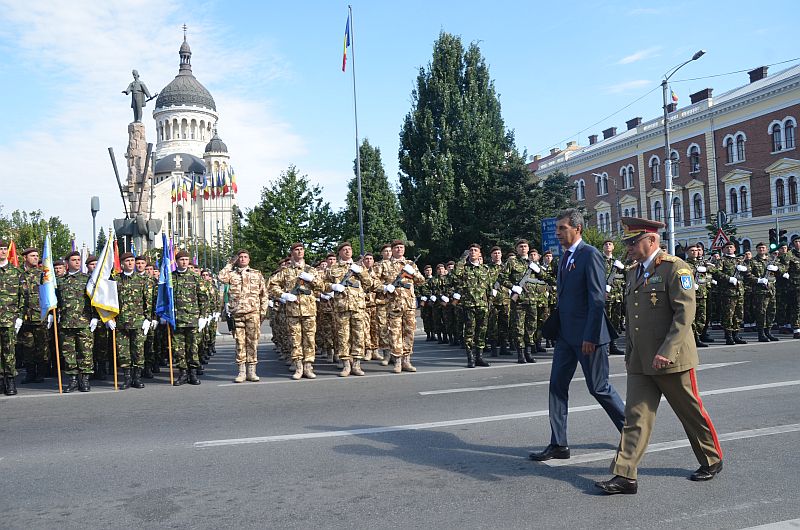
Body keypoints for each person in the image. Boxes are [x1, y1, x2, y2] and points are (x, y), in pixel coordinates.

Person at [595, 217, 722, 494]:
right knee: (635, 417)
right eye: (626, 242)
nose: (627, 247)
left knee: (689, 411)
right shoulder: (632, 272)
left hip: (672, 358)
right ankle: (625, 475)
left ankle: (711, 459)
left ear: (651, 240)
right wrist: (629, 353)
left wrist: (667, 351)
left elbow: (684, 314)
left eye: (632, 242)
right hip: (641, 360)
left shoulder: (675, 268)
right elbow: (633, 319)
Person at [529, 209, 625, 462]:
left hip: (588, 337)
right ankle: (559, 443)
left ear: (577, 229)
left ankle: (632, 434)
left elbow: (597, 300)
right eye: (558, 228)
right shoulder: (565, 258)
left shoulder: (590, 255)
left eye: (562, 228)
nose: (558, 233)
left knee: (599, 388)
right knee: (557, 387)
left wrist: (591, 337)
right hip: (566, 336)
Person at [268, 243, 325, 380]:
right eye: (296, 250)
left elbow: (322, 287)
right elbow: (271, 285)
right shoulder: (286, 271)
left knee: (310, 339)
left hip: (309, 310)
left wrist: (312, 279)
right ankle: (298, 367)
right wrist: (283, 295)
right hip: (292, 310)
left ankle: (308, 367)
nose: (299, 252)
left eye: (301, 249)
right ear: (292, 253)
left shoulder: (311, 270)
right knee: (295, 339)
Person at [371, 240, 426, 373]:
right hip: (393, 304)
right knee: (395, 333)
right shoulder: (384, 265)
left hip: (409, 304)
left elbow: (421, 281)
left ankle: (406, 360)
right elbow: (372, 282)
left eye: (401, 248)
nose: (399, 250)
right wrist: (384, 287)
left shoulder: (409, 264)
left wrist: (413, 273)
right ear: (392, 250)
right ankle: (397, 362)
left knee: (409, 333)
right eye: (396, 248)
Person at [218, 249, 269, 383]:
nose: (242, 259)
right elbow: (220, 277)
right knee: (240, 343)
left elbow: (264, 294)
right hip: (237, 314)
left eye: (245, 257)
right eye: (240, 257)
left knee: (252, 343)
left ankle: (252, 371)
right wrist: (230, 264)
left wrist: (262, 313)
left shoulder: (257, 274)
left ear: (249, 259)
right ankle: (241, 372)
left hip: (253, 313)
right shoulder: (231, 274)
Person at [324, 242, 373, 377]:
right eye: (344, 250)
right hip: (341, 307)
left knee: (358, 335)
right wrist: (333, 287)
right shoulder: (332, 268)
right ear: (339, 252)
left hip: (358, 306)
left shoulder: (359, 267)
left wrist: (361, 273)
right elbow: (321, 285)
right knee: (343, 336)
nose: (347, 251)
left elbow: (369, 284)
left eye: (349, 249)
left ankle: (356, 365)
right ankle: (346, 365)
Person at [111, 252, 152, 389]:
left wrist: (148, 318)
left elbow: (148, 301)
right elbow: (111, 301)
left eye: (132, 260)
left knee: (138, 351)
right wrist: (110, 318)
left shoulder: (143, 280)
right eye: (127, 261)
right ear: (122, 263)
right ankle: (127, 377)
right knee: (123, 352)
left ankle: (137, 377)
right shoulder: (115, 280)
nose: (130, 263)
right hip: (121, 322)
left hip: (138, 321)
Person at [57, 251, 96, 393]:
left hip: (84, 322)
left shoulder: (88, 279)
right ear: (67, 263)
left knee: (85, 352)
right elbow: (56, 301)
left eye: (79, 260)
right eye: (74, 260)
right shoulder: (60, 281)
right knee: (69, 353)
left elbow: (95, 300)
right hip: (66, 322)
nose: (77, 262)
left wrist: (95, 317)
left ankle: (84, 379)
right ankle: (72, 380)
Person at [451, 244, 493, 368]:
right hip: (469, 305)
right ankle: (470, 358)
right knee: (469, 332)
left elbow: (489, 287)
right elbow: (454, 276)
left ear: (480, 254)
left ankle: (479, 357)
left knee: (482, 332)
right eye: (471, 250)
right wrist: (463, 258)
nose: (473, 252)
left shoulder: (485, 269)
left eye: (475, 250)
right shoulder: (464, 268)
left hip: (483, 305)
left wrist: (489, 302)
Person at [171, 250, 209, 386]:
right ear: (176, 261)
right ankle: (182, 373)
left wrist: (203, 316)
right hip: (177, 319)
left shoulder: (195, 277)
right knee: (178, 349)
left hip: (192, 319)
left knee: (193, 348)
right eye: (181, 260)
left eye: (186, 259)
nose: (184, 262)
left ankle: (192, 373)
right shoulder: (171, 277)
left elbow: (203, 298)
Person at [0, 240, 23, 395]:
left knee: (9, 351)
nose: (2, 251)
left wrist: (20, 316)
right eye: (0, 249)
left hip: (9, 319)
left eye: (4, 249)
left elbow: (23, 297)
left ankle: (10, 381)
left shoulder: (15, 272)